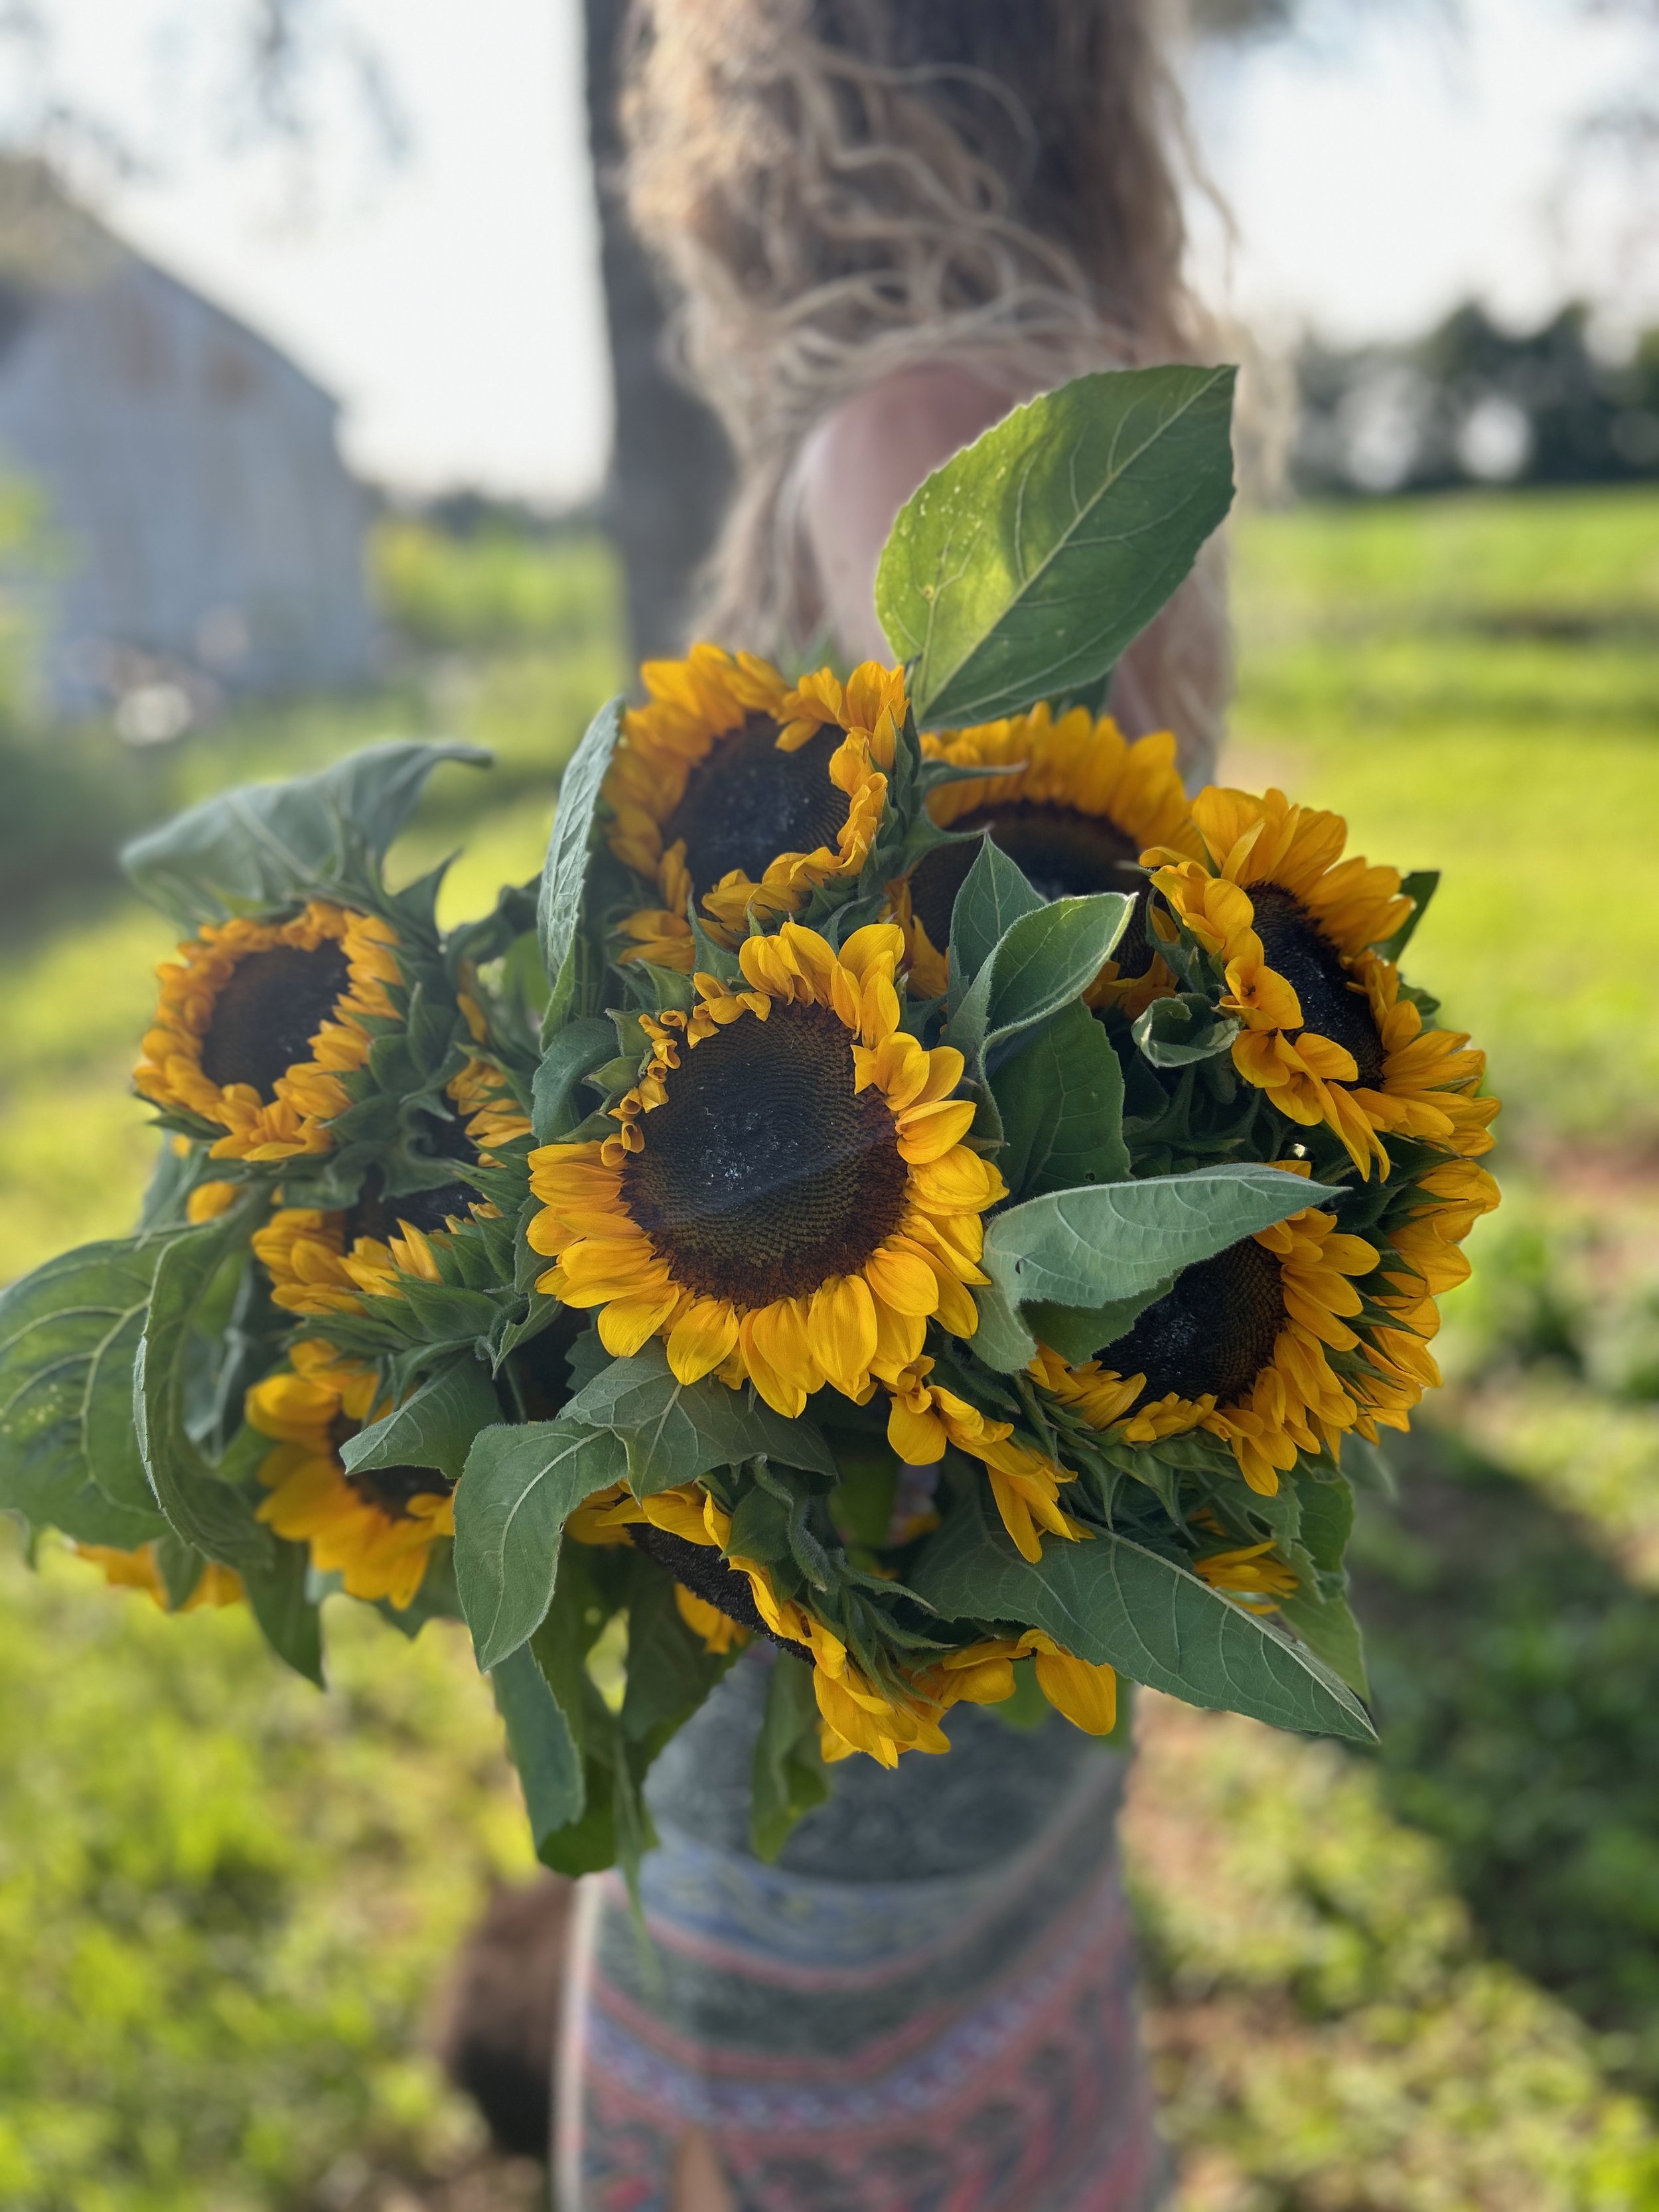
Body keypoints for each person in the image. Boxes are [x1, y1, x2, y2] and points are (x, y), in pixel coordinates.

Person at [551, 5, 1235, 2205]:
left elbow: (1021, 1017)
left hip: (858, 1488)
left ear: (781, 101)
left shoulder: (910, 433)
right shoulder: (1077, 416)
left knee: (783, 2069)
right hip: (1013, 1494)